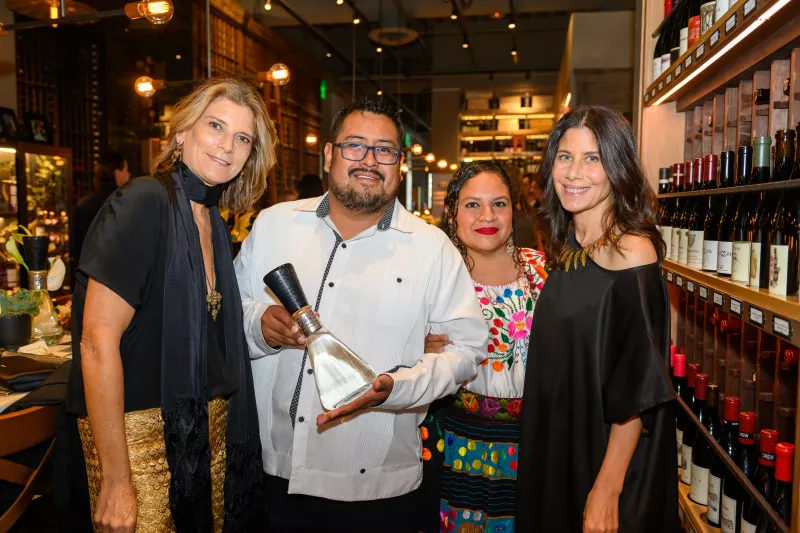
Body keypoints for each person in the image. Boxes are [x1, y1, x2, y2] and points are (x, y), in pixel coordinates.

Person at [234, 99, 487, 533]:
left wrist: (395, 388)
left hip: (378, 488)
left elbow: (466, 349)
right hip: (272, 473)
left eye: (384, 150)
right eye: (355, 146)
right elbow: (227, 312)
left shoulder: (431, 248)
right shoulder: (274, 225)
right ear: (329, 155)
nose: (369, 160)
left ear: (399, 164)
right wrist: (259, 324)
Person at [65, 77, 276, 533]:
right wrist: (118, 480)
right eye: (215, 126)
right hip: (138, 443)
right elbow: (97, 343)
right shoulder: (145, 201)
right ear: (182, 132)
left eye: (243, 138)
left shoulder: (213, 222)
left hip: (205, 435)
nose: (228, 146)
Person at [515, 105, 677, 532]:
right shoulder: (569, 242)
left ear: (617, 167)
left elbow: (638, 387)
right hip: (559, 443)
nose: (573, 173)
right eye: (565, 157)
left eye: (593, 159)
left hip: (603, 458)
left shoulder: (632, 252)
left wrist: (607, 489)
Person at [420, 161, 547, 533]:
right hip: (457, 441)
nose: (487, 216)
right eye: (473, 204)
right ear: (453, 213)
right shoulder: (437, 278)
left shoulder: (544, 271)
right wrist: (415, 344)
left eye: (499, 203)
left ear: (514, 208)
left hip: (534, 440)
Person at [72, 151, 131, 262]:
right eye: (126, 170)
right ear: (117, 173)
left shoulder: (83, 204)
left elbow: (77, 248)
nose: (129, 174)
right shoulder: (126, 202)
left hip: (89, 270)